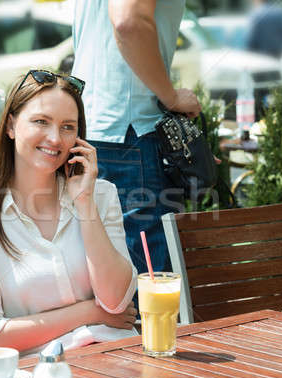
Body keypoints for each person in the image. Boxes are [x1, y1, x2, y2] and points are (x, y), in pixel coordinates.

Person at [0, 70, 138, 356]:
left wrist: (85, 202)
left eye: (68, 127)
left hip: (119, 357)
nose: (55, 138)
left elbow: (115, 302)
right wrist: (90, 312)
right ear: (11, 126)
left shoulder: (100, 195)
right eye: (41, 121)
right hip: (43, 374)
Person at [72, 0, 201, 277]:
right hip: (131, 136)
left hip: (95, 130)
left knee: (109, 284)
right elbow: (128, 21)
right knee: (151, 289)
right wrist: (171, 97)